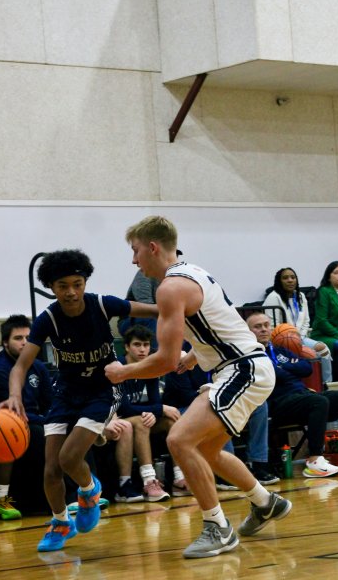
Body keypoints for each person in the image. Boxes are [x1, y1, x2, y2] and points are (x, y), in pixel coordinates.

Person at [105, 215, 292, 558]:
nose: (133, 260)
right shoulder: (194, 272)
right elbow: (222, 322)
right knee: (205, 450)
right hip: (242, 367)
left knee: (179, 439)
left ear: (152, 247)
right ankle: (265, 502)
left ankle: (217, 528)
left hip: (242, 369)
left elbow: (164, 361)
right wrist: (195, 355)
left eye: (135, 251)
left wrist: (123, 371)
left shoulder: (170, 288)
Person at [0, 249, 158, 553]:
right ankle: (61, 522)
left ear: (85, 282)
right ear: (51, 287)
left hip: (102, 391)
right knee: (51, 470)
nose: (71, 292)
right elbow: (20, 367)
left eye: (77, 284)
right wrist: (14, 396)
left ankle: (89, 490)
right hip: (66, 392)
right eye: (63, 286)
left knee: (70, 458)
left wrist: (184, 307)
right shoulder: (48, 319)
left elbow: (155, 310)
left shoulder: (103, 304)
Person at [246, 312, 338, 475]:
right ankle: (315, 459)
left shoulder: (281, 351)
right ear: (247, 331)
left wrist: (281, 367)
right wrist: (287, 368)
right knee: (317, 401)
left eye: (266, 325)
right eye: (257, 327)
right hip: (277, 403)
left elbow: (306, 368)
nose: (264, 329)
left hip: (301, 396)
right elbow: (276, 375)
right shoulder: (250, 355)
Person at [0, 314, 53, 520]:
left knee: (70, 427)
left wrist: (56, 420)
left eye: (28, 338)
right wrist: (46, 421)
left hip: (35, 420)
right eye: (18, 338)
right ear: (5, 342)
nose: (25, 342)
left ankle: (82, 493)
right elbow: (9, 414)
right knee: (38, 433)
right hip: (7, 424)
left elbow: (51, 403)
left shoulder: (39, 367)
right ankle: (38, 501)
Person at [116, 324, 181, 500]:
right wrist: (158, 409)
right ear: (127, 347)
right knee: (142, 421)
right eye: (137, 345)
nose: (142, 349)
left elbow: (155, 402)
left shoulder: (150, 367)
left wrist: (156, 411)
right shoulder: (118, 368)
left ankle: (179, 478)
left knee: (172, 419)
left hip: (139, 416)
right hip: (116, 418)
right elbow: (123, 408)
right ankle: (149, 481)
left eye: (146, 345)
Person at [262, 267, 332, 386]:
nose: (290, 280)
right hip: (281, 341)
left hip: (300, 337)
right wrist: (291, 339)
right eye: (285, 278)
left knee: (323, 349)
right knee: (310, 354)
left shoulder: (300, 296)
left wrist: (299, 338)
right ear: (279, 281)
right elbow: (272, 326)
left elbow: (306, 321)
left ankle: (327, 383)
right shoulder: (273, 297)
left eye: (293, 277)